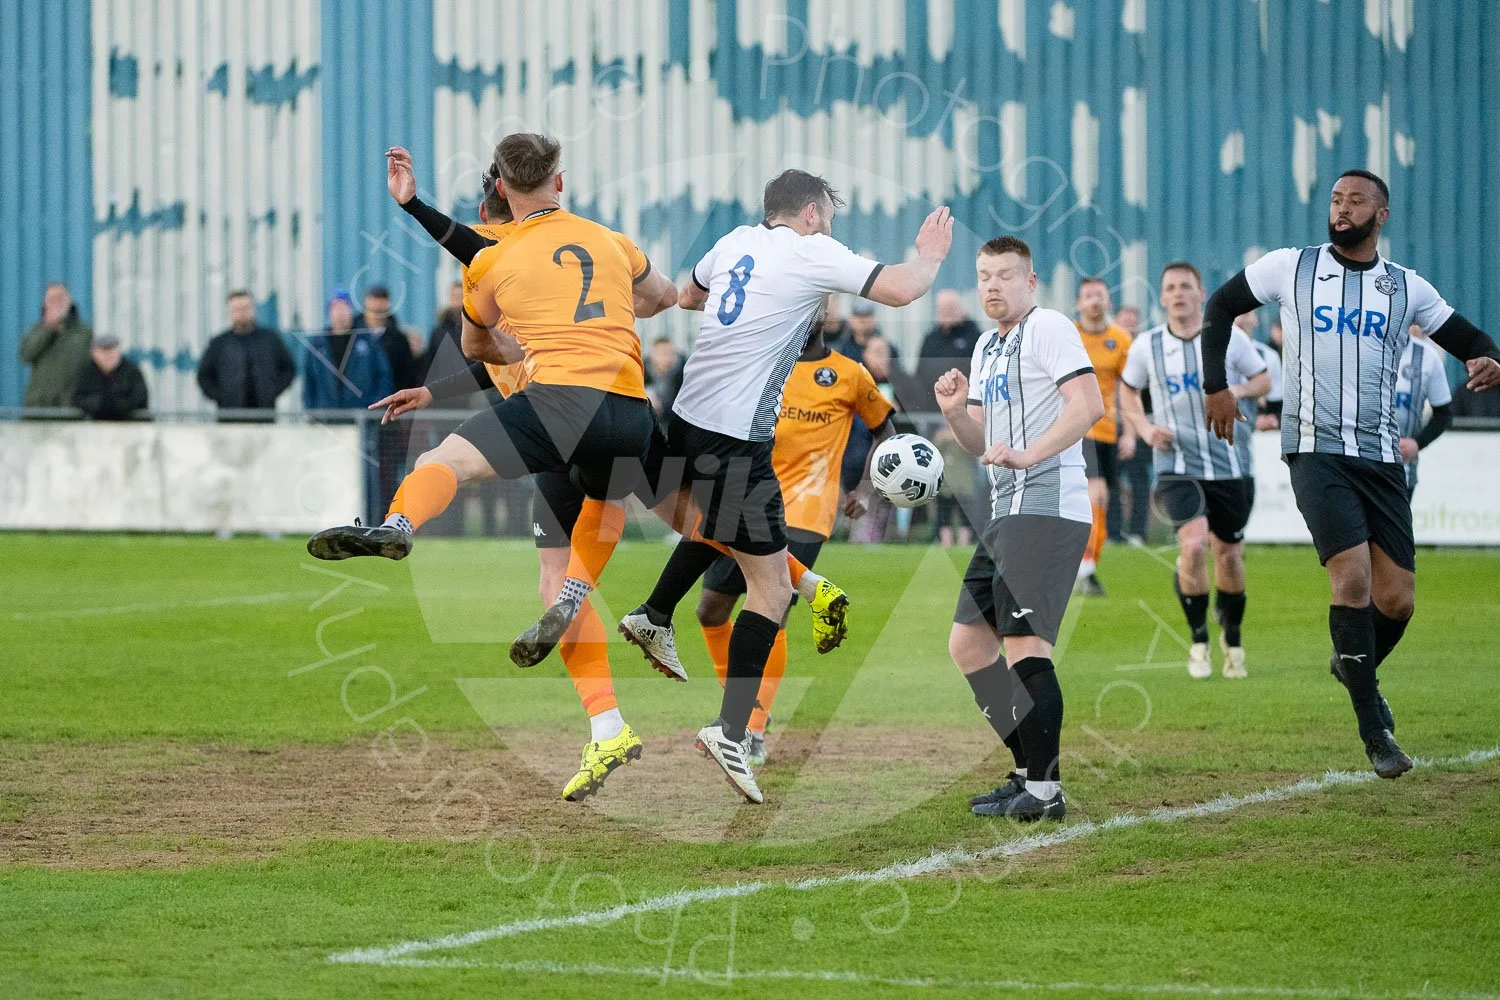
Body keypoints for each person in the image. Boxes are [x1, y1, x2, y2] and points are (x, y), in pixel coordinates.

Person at [550, 169, 951, 804]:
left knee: (711, 531)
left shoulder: (735, 240)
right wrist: (929, 256)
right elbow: (901, 290)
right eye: (831, 219)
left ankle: (653, 614)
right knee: (768, 588)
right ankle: (732, 730)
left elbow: (687, 296)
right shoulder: (811, 249)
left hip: (686, 418)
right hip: (738, 438)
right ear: (814, 214)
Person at [308, 134, 680, 793]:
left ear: (500, 199)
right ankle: (607, 723)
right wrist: (436, 388)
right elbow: (664, 295)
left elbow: (479, 325)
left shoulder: (495, 260)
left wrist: (419, 210)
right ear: (558, 182)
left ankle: (399, 526)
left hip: (559, 410)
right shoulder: (604, 242)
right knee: (595, 543)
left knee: (447, 458)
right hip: (622, 411)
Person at [1200, 168, 1500, 778]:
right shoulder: (1291, 266)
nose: (1341, 209)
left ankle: (1352, 665)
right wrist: (1218, 386)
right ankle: (1375, 733)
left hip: (1382, 457)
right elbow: (1221, 305)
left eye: (1355, 200)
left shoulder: (1406, 288)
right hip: (1315, 450)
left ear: (1380, 215)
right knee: (1353, 581)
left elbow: (1467, 335)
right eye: (1336, 199)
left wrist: (1488, 357)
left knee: (1399, 601)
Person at [935, 235, 1104, 822]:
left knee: (1024, 648)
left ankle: (1045, 791)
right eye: (984, 275)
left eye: (1005, 275)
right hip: (1006, 513)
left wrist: (1032, 454)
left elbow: (1088, 405)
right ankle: (1030, 771)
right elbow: (982, 443)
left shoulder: (1050, 327)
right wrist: (957, 413)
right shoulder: (986, 345)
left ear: (1030, 282)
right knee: (969, 645)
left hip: (1049, 508)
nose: (992, 286)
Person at [695, 317, 895, 764]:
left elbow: (886, 432)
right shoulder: (765, 365)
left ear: (823, 312)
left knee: (771, 610)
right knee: (710, 610)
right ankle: (740, 711)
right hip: (750, 501)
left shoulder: (850, 373)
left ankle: (752, 731)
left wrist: (865, 488)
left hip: (807, 513)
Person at [1120, 263, 1271, 679]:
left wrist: (1232, 390)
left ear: (1201, 293)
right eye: (1170, 287)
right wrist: (1144, 427)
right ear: (1163, 298)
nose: (1179, 294)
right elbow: (1128, 391)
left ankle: (1233, 638)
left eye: (1186, 286)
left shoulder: (1228, 339)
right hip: (1176, 465)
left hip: (1230, 465)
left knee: (1229, 557)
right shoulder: (1146, 346)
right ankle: (1199, 638)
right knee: (1192, 545)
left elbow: (1264, 380)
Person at [1073, 277, 1133, 596]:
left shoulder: (1121, 340)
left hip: (1109, 431)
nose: (1094, 300)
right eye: (1088, 296)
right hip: (1077, 429)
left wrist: (1131, 433)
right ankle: (1085, 569)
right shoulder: (1068, 336)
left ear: (1108, 301)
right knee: (1094, 495)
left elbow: (1129, 390)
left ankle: (1086, 566)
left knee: (1103, 500)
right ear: (1078, 304)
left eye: (1100, 294)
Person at [196, 290, 296, 420]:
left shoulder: (270, 339)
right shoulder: (219, 343)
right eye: (237, 309)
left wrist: (271, 392)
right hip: (229, 417)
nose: (242, 313)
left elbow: (288, 369)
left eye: (246, 308)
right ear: (230, 312)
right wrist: (222, 397)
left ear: (253, 309)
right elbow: (204, 376)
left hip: (264, 415)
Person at [302, 289, 394, 411]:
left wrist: (374, 407)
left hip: (361, 418)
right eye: (336, 307)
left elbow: (384, 376)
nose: (340, 313)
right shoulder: (317, 345)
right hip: (326, 417)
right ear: (329, 311)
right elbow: (309, 381)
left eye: (344, 307)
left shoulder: (369, 341)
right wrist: (311, 409)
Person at [1394, 324, 1453, 499]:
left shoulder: (1428, 357)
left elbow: (1444, 415)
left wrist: (1417, 443)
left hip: (1401, 472)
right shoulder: (1361, 349)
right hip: (1357, 467)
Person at [20, 283, 93, 410]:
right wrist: (49, 329)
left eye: (60, 298)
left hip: (70, 407)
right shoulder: (36, 330)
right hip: (39, 407)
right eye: (52, 299)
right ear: (45, 304)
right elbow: (25, 355)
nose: (56, 303)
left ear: (70, 302)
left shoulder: (84, 333)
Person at [915, 289, 984, 412]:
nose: (946, 312)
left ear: (961, 308)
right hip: (933, 410)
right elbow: (920, 375)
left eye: (950, 307)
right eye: (942, 308)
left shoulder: (976, 337)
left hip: (966, 407)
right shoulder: (930, 339)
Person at [72, 334, 149, 420]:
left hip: (128, 426)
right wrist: (102, 405)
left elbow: (140, 399)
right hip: (94, 426)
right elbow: (77, 399)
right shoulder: (86, 372)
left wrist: (115, 406)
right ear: (94, 353)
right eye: (103, 351)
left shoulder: (132, 371)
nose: (108, 355)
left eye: (112, 350)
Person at [362, 285, 420, 390]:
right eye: (374, 300)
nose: (377, 306)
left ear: (388, 304)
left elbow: (407, 375)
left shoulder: (399, 339)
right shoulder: (353, 335)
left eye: (381, 300)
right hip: (355, 403)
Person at [644, 335, 685, 424]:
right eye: (660, 353)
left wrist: (662, 407)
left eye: (668, 353)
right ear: (652, 354)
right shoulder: (642, 369)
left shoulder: (684, 370)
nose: (665, 358)